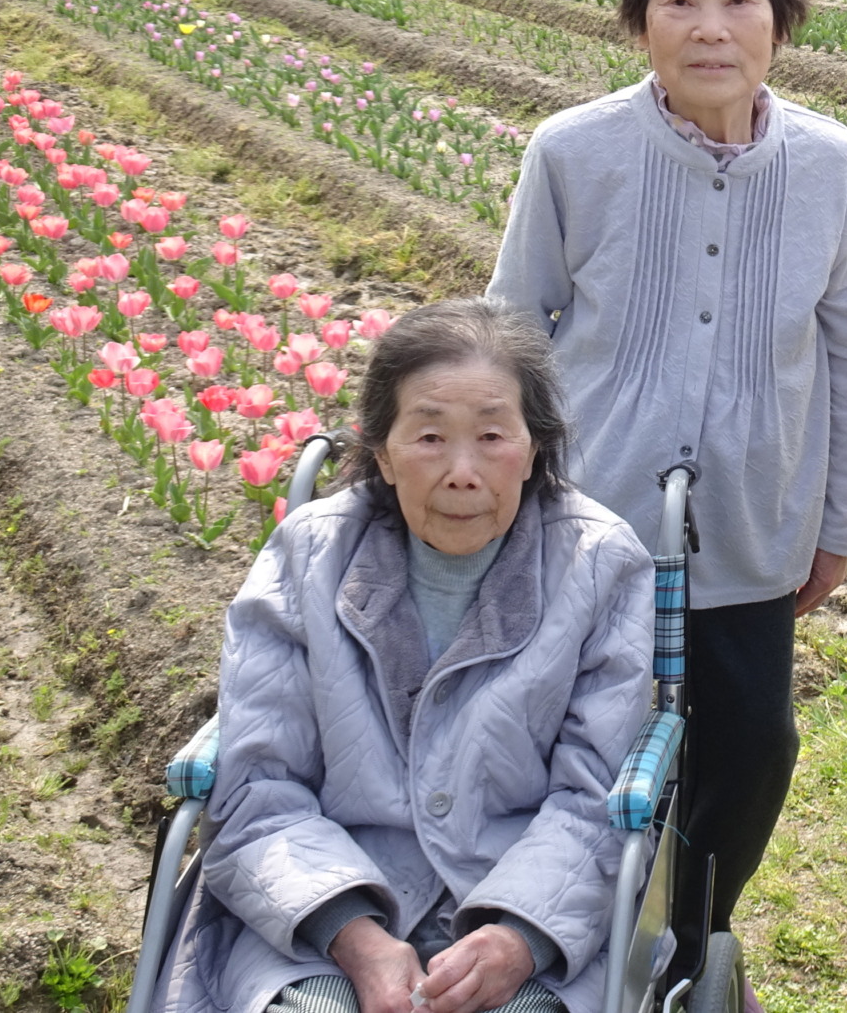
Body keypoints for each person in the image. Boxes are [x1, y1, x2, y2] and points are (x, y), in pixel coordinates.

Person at [487, 0, 847, 997]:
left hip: (756, 520)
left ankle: (689, 940)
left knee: (753, 745)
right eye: (679, 1)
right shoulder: (573, 151)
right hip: (593, 515)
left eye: (737, 1)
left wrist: (838, 523)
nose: (710, 28)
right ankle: (578, 934)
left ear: (778, 20)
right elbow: (511, 333)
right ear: (639, 22)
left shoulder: (829, 163)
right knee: (589, 747)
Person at [162, 298, 653, 1013]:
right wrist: (354, 937)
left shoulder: (601, 565)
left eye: (492, 436)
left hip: (525, 908)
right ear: (383, 455)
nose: (462, 471)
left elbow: (594, 800)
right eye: (429, 437)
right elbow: (259, 787)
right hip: (322, 911)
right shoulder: (309, 556)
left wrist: (513, 939)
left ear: (535, 449)